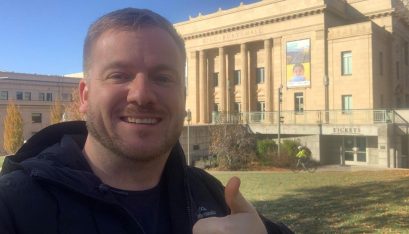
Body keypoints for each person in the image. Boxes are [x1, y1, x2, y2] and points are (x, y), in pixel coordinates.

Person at [0, 8, 292, 234]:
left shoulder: (212, 196)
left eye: (163, 77)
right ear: (85, 95)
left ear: (184, 96)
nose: (141, 95)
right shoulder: (13, 207)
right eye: (120, 75)